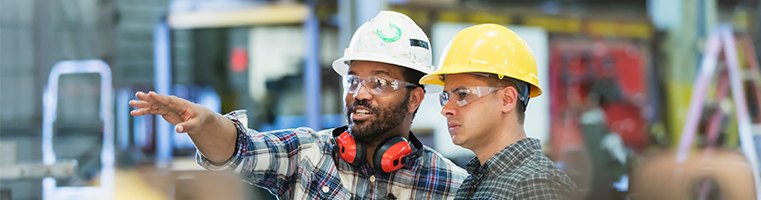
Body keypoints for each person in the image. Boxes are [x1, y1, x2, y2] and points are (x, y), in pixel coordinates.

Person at [130, 11, 467, 199]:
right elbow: (239, 148)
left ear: (415, 97)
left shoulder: (451, 185)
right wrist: (203, 123)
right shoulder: (309, 154)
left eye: (379, 82)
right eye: (353, 80)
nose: (360, 94)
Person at [418, 24, 580, 199]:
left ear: (507, 99)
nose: (446, 110)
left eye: (462, 94)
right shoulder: (475, 182)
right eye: (445, 97)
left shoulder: (537, 183)